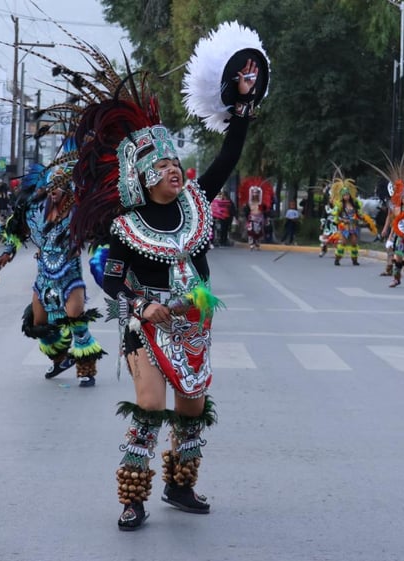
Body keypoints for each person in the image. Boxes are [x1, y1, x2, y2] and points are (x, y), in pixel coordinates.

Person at [67, 32, 265, 530]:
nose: (174, 170)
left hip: (192, 322)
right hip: (144, 323)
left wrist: (242, 103)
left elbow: (228, 156)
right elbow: (110, 281)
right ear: (141, 175)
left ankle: (181, 484)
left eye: (175, 163)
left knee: (192, 407)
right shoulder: (125, 227)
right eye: (162, 166)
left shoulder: (198, 202)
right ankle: (132, 497)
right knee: (151, 405)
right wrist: (139, 307)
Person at [0, 158, 105, 386]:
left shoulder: (79, 214)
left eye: (59, 186)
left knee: (76, 318)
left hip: (70, 276)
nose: (54, 190)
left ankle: (86, 369)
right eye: (51, 186)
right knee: (38, 324)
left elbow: (100, 228)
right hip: (44, 276)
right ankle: (62, 358)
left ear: (69, 189)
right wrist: (8, 252)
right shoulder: (36, 211)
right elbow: (17, 229)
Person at [330, 176, 374, 266]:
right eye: (345, 195)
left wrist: (364, 219)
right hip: (344, 226)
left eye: (348, 194)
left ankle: (354, 260)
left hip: (353, 226)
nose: (347, 196)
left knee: (354, 242)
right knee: (343, 242)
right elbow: (335, 216)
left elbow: (359, 214)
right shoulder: (340, 205)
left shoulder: (355, 204)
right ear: (342, 196)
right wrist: (342, 220)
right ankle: (337, 259)